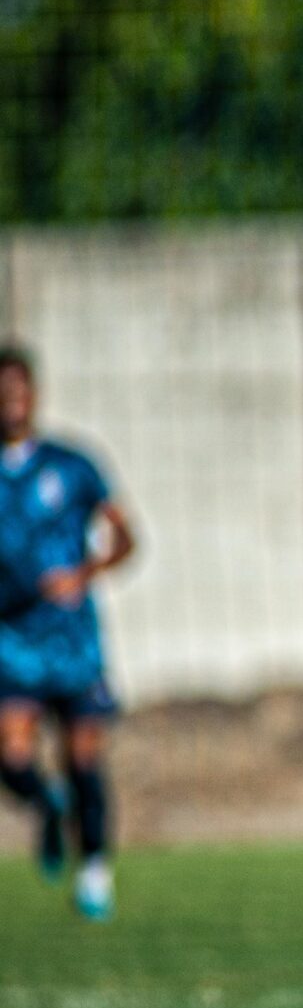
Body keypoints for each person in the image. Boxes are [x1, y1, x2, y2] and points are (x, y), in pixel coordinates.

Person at [0, 346, 136, 923]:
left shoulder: (73, 465)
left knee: (85, 756)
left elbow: (126, 537)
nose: (12, 401)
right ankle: (46, 804)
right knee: (12, 753)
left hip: (74, 640)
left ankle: (95, 871)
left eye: (19, 389)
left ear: (34, 394)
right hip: (13, 640)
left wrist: (84, 575)